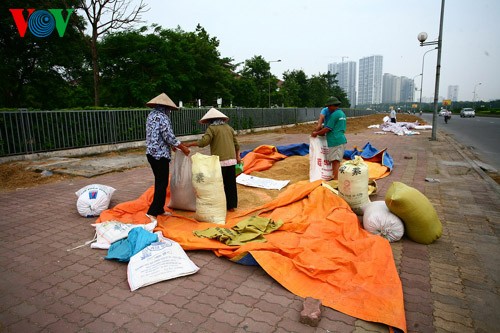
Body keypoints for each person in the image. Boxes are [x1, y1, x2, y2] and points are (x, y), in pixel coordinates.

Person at [185, 108, 241, 212]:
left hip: (220, 161)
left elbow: (204, 142)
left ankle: (219, 205)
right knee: (231, 184)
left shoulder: (212, 128)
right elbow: (236, 144)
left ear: (211, 120)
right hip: (232, 160)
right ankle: (231, 206)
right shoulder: (229, 127)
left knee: (218, 184)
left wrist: (189, 144)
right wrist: (238, 157)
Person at [145, 93, 190, 218]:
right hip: (160, 155)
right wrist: (182, 147)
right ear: (166, 107)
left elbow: (158, 135)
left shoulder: (151, 115)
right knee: (162, 183)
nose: (169, 111)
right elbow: (168, 136)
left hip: (151, 154)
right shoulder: (163, 117)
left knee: (160, 181)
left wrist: (172, 146)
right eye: (169, 109)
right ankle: (153, 211)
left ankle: (158, 209)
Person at [311, 96, 347, 180]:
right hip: (339, 139)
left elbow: (327, 128)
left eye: (329, 106)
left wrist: (316, 133)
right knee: (335, 160)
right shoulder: (341, 113)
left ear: (332, 105)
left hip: (335, 141)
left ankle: (335, 180)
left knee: (335, 161)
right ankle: (335, 177)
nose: (328, 108)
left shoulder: (334, 115)